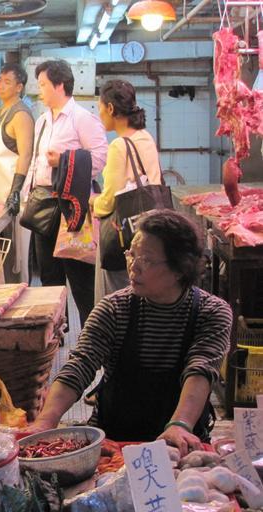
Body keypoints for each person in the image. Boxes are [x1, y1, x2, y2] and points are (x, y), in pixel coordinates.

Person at [32, 210, 232, 455]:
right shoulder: (114, 308)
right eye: (131, 254)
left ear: (180, 268)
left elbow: (200, 369)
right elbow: (80, 365)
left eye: (146, 260)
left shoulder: (212, 312)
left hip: (180, 444)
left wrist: (180, 425)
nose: (133, 267)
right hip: (113, 443)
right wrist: (46, 421)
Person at [29, 60, 108, 324]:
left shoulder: (82, 119)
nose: (39, 90)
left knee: (81, 279)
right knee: (49, 279)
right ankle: (55, 337)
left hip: (72, 209)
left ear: (59, 85)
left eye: (43, 84)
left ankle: (91, 335)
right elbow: (36, 163)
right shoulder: (42, 121)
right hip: (44, 206)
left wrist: (63, 160)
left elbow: (100, 158)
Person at [92, 79, 162, 303]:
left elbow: (110, 201)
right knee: (143, 298)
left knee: (117, 299)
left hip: (123, 237)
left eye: (100, 108)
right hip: (150, 231)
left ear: (111, 108)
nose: (99, 114)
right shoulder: (146, 137)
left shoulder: (119, 145)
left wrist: (93, 202)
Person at [0, 62, 34, 282]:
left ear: (19, 87)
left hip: (14, 195)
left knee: (16, 254)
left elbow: (26, 154)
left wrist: (15, 191)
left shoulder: (20, 114)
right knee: (2, 252)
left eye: (7, 82)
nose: (1, 85)